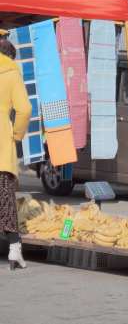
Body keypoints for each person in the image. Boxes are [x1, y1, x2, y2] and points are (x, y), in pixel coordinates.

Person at [0, 38, 32, 270]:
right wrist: (17, 135)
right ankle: (14, 249)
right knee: (5, 197)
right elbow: (24, 109)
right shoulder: (11, 72)